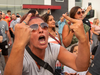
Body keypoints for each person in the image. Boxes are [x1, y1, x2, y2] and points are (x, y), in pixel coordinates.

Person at [4, 10, 90, 75]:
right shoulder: (21, 55)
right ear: (26, 34)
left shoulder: (53, 49)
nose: (41, 30)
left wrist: (83, 39)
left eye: (44, 26)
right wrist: (18, 44)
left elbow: (81, 66)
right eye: (34, 27)